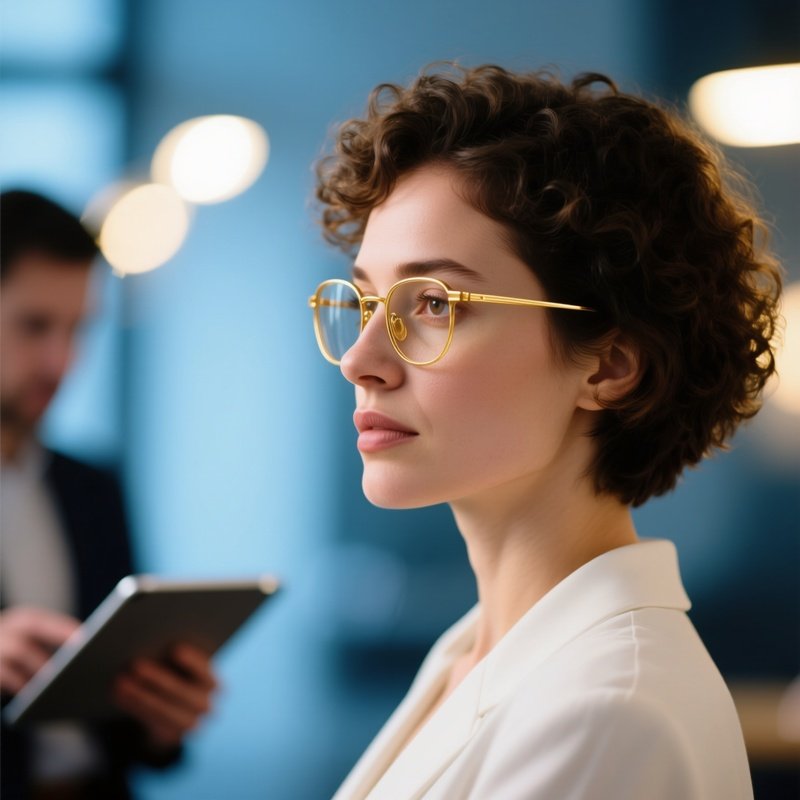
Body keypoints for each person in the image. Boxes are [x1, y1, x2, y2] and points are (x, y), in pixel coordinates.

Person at [308, 65, 782, 799]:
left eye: (433, 303)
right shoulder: (472, 654)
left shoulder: (606, 713)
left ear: (610, 365)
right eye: (366, 302)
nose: (362, 360)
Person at [0, 190, 218, 799]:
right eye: (35, 325)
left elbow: (123, 728)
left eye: (78, 329)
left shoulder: (92, 489)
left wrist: (161, 719)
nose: (61, 360)